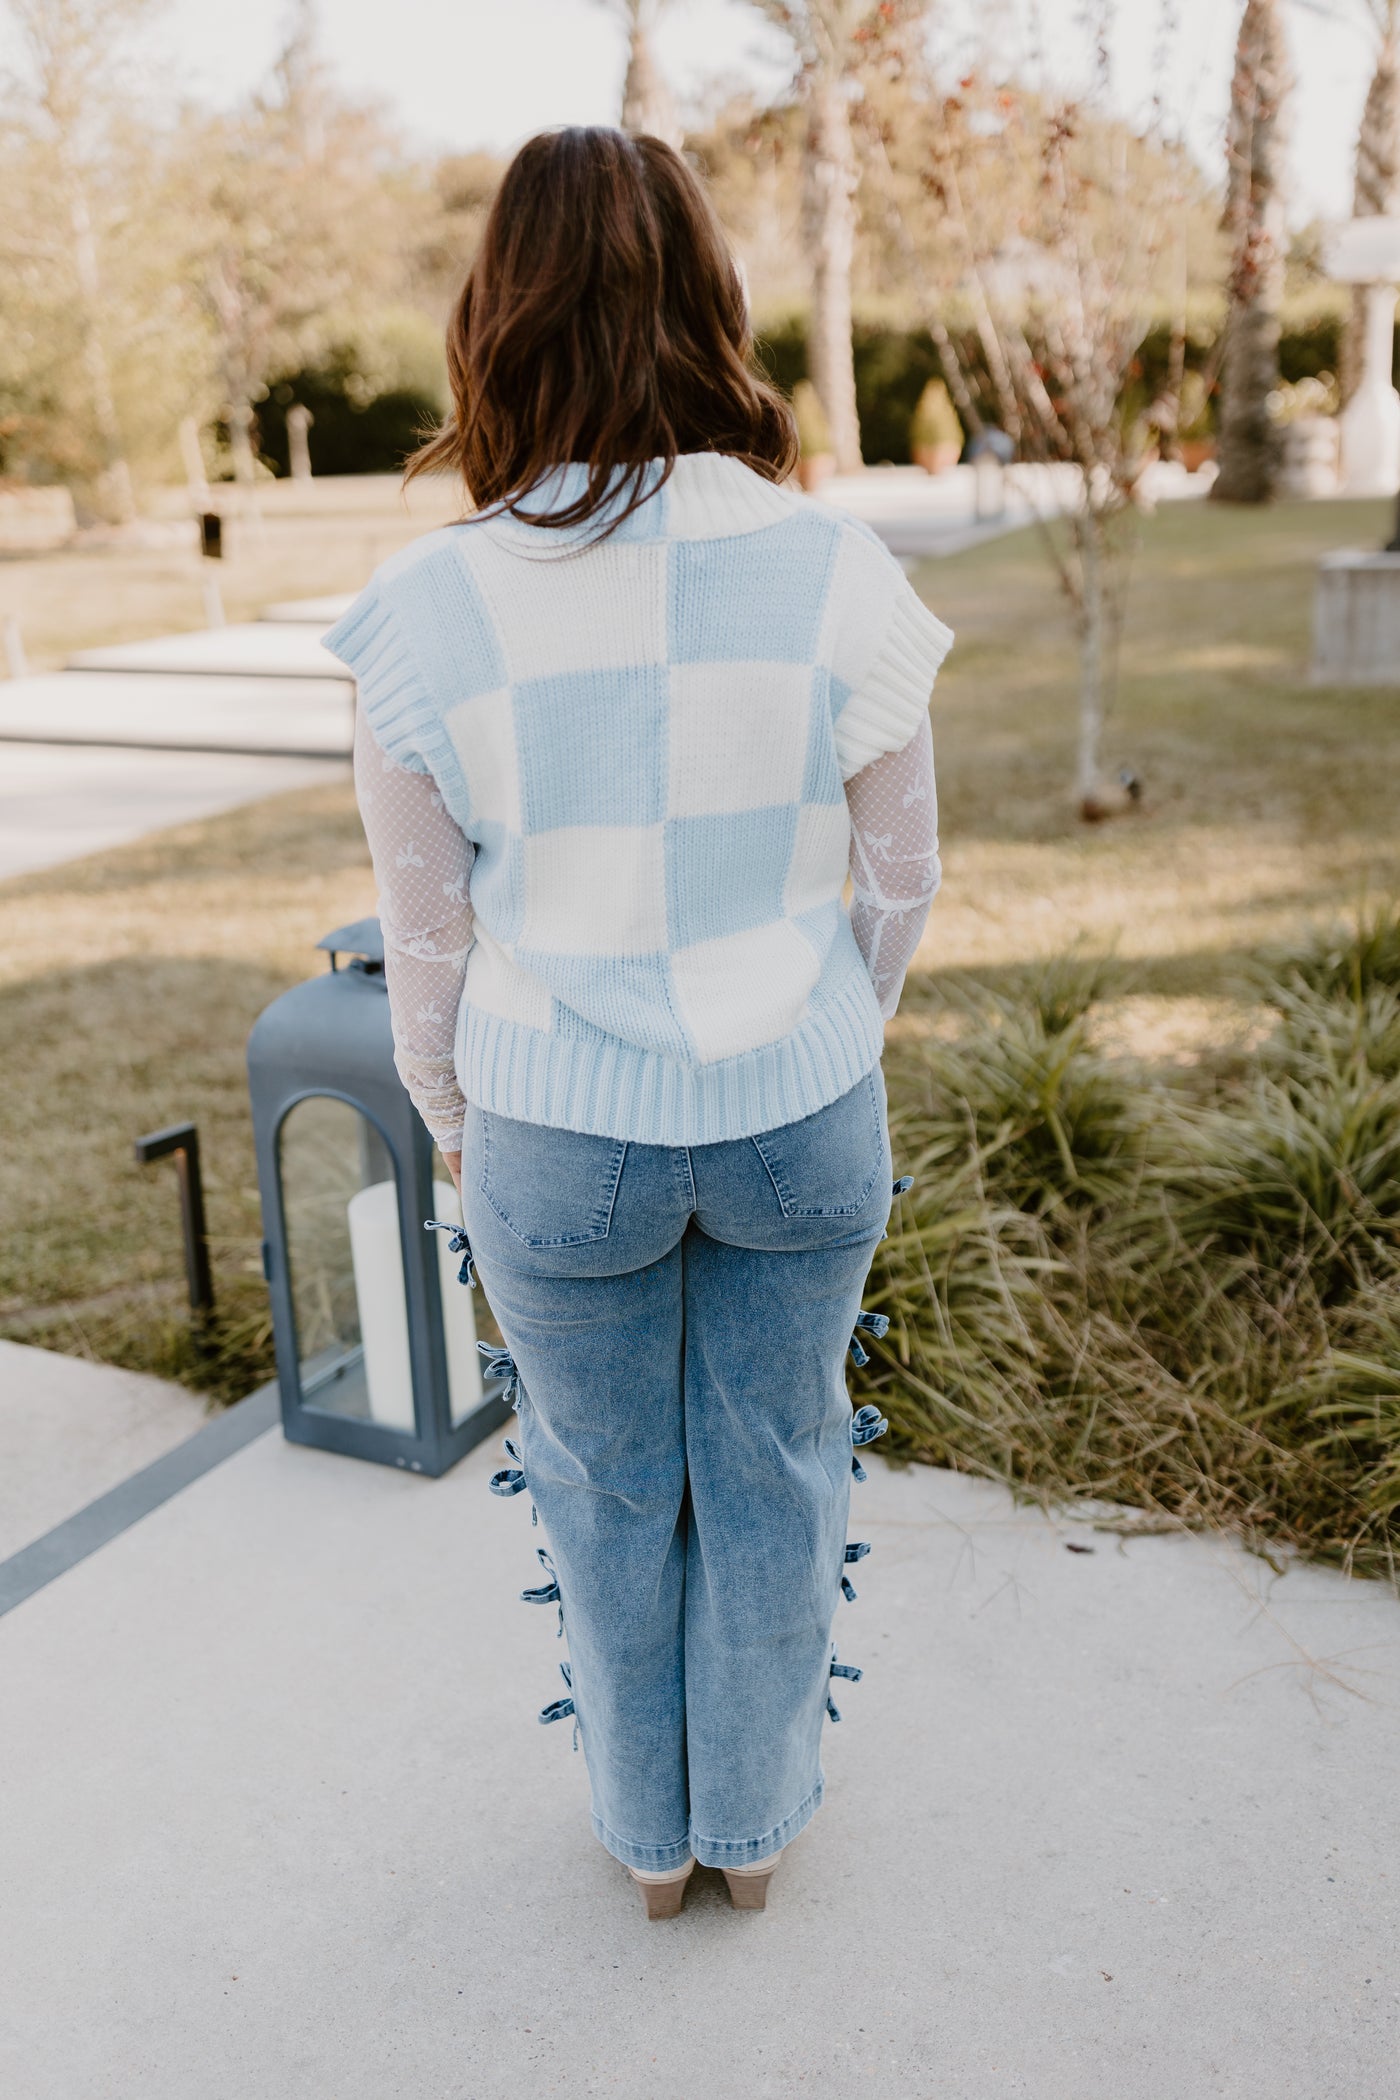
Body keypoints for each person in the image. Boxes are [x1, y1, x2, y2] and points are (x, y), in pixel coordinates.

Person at [326, 125, 951, 1920]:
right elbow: (901, 882)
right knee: (779, 1464)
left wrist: (454, 1119)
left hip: (555, 1131)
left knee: (603, 1495)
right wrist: (835, 1034)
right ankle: (756, 1837)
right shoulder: (840, 569)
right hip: (802, 1111)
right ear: (711, 295)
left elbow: (422, 937)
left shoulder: (431, 610)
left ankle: (652, 1848)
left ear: (492, 316)